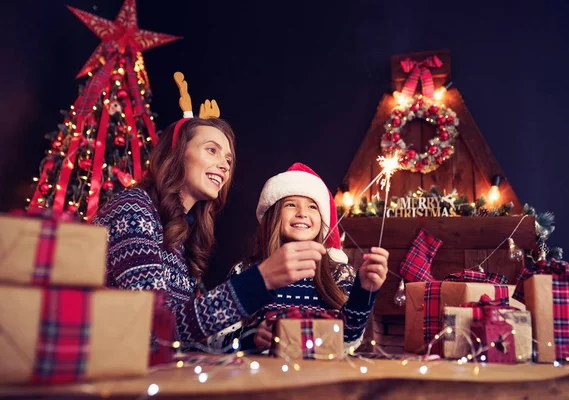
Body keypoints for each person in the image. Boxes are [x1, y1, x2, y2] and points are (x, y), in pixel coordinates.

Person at [93, 73, 324, 350]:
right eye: (211, 150)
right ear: (177, 153)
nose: (225, 166)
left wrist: (251, 340)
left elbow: (184, 332)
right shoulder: (132, 210)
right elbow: (152, 329)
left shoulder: (181, 234)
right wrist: (258, 280)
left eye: (228, 159)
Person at [208, 162, 389, 352]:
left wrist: (364, 292)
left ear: (322, 220)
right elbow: (216, 340)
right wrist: (251, 336)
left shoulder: (338, 273)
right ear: (273, 215)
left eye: (312, 207)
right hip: (262, 377)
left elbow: (347, 339)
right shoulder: (246, 271)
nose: (302, 213)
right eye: (291, 204)